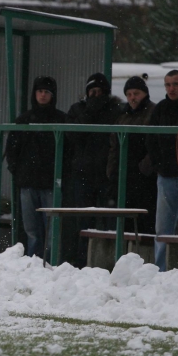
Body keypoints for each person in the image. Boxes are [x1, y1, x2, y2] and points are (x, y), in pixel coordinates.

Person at [5, 76, 66, 259]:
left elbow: (69, 152)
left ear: (52, 95)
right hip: (28, 183)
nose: (43, 95)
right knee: (32, 230)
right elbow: (12, 150)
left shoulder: (62, 120)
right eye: (40, 91)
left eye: (47, 92)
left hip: (51, 184)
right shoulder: (23, 120)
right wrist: (18, 171)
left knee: (51, 230)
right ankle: (34, 263)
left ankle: (49, 263)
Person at [65, 72, 121, 268]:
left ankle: (106, 262)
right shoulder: (78, 110)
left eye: (99, 92)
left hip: (107, 175)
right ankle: (83, 260)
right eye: (92, 91)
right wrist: (89, 111)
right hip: (83, 174)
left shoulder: (115, 109)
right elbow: (72, 137)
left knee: (107, 222)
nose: (96, 95)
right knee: (83, 221)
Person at [144, 70, 178, 271]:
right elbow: (150, 139)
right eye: (167, 85)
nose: (171, 89)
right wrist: (158, 164)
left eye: (175, 84)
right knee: (162, 228)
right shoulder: (161, 109)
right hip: (165, 175)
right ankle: (160, 268)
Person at [108, 75, 156, 234]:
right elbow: (114, 144)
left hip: (145, 176)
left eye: (136, 93)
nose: (132, 98)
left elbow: (155, 142)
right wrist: (112, 168)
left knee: (145, 219)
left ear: (145, 93)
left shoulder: (153, 113)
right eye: (129, 94)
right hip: (125, 174)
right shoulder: (123, 116)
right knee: (126, 220)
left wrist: (145, 167)